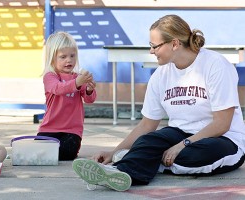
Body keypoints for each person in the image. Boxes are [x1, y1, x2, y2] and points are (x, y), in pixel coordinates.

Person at [72, 14, 245, 191]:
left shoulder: (215, 65)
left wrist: (182, 145)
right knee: (147, 141)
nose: (151, 51)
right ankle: (118, 172)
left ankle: (142, 161)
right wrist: (113, 152)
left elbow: (222, 123)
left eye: (155, 46)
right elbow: (147, 124)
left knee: (197, 155)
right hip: (180, 132)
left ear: (175, 44)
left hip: (223, 139)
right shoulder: (160, 75)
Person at [37, 31, 97, 160]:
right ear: (52, 58)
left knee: (67, 153)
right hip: (50, 128)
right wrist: (77, 83)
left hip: (72, 130)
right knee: (40, 150)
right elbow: (57, 88)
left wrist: (89, 90)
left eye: (72, 56)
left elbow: (89, 99)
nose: (69, 60)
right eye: (63, 57)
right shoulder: (50, 76)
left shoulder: (77, 77)